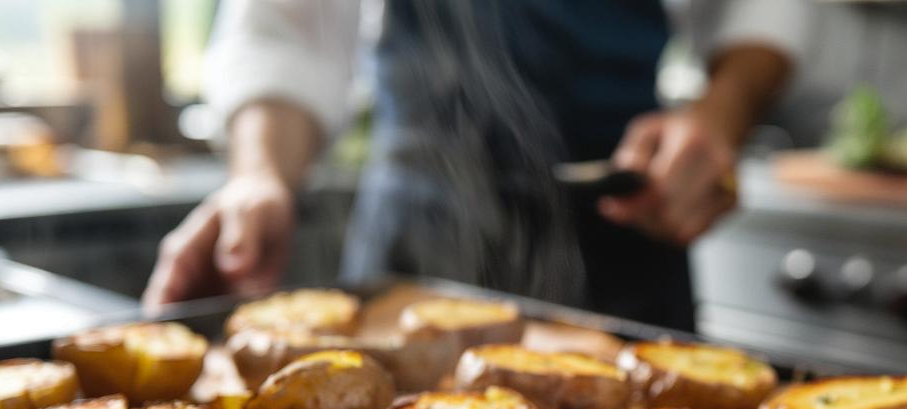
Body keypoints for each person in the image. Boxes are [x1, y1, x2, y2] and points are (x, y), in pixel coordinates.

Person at [144, 0, 809, 330]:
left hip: (622, 209)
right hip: (417, 226)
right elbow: (287, 24)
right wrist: (260, 173)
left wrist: (717, 118)